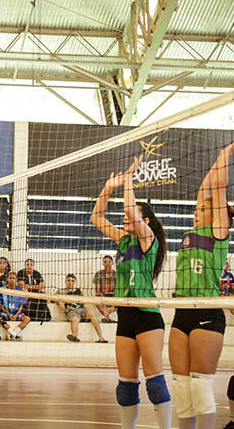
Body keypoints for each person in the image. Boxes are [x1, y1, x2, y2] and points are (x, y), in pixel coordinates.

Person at [170, 141, 234, 429]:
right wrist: (214, 163)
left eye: (202, 210)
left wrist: (223, 159)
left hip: (207, 312)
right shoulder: (192, 232)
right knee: (181, 387)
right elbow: (204, 191)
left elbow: (216, 192)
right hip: (181, 313)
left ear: (217, 216)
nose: (197, 210)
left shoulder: (218, 233)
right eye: (197, 209)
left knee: (199, 387)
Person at [91, 156, 171, 429]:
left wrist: (128, 179)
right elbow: (96, 217)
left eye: (132, 215)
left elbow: (129, 207)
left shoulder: (149, 239)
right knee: (126, 385)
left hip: (148, 316)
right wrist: (108, 187)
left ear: (144, 220)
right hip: (126, 315)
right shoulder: (124, 240)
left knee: (155, 383)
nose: (125, 217)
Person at [57, 274, 107, 343]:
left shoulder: (79, 291)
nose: (70, 282)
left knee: (91, 313)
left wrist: (86, 307)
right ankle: (74, 336)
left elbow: (84, 302)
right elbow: (53, 299)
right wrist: (59, 302)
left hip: (81, 309)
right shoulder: (61, 291)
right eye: (68, 280)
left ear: (74, 282)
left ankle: (101, 338)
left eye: (72, 281)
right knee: (75, 319)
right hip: (71, 311)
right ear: (65, 281)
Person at [0, 271, 31, 340]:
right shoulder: (2, 289)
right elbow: (1, 305)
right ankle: (14, 334)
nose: (12, 280)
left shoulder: (19, 290)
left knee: (27, 319)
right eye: (10, 278)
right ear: (7, 279)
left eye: (14, 278)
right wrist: (9, 314)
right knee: (0, 318)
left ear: (16, 280)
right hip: (6, 313)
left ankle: (13, 334)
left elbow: (21, 305)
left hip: (16, 313)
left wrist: (16, 315)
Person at [93, 255, 117, 322]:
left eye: (109, 262)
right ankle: (107, 317)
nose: (107, 264)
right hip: (103, 296)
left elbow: (118, 290)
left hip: (113, 296)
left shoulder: (116, 275)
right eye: (105, 262)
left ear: (112, 263)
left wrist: (112, 298)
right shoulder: (98, 274)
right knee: (96, 300)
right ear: (103, 264)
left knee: (122, 301)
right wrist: (103, 297)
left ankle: (106, 315)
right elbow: (97, 290)